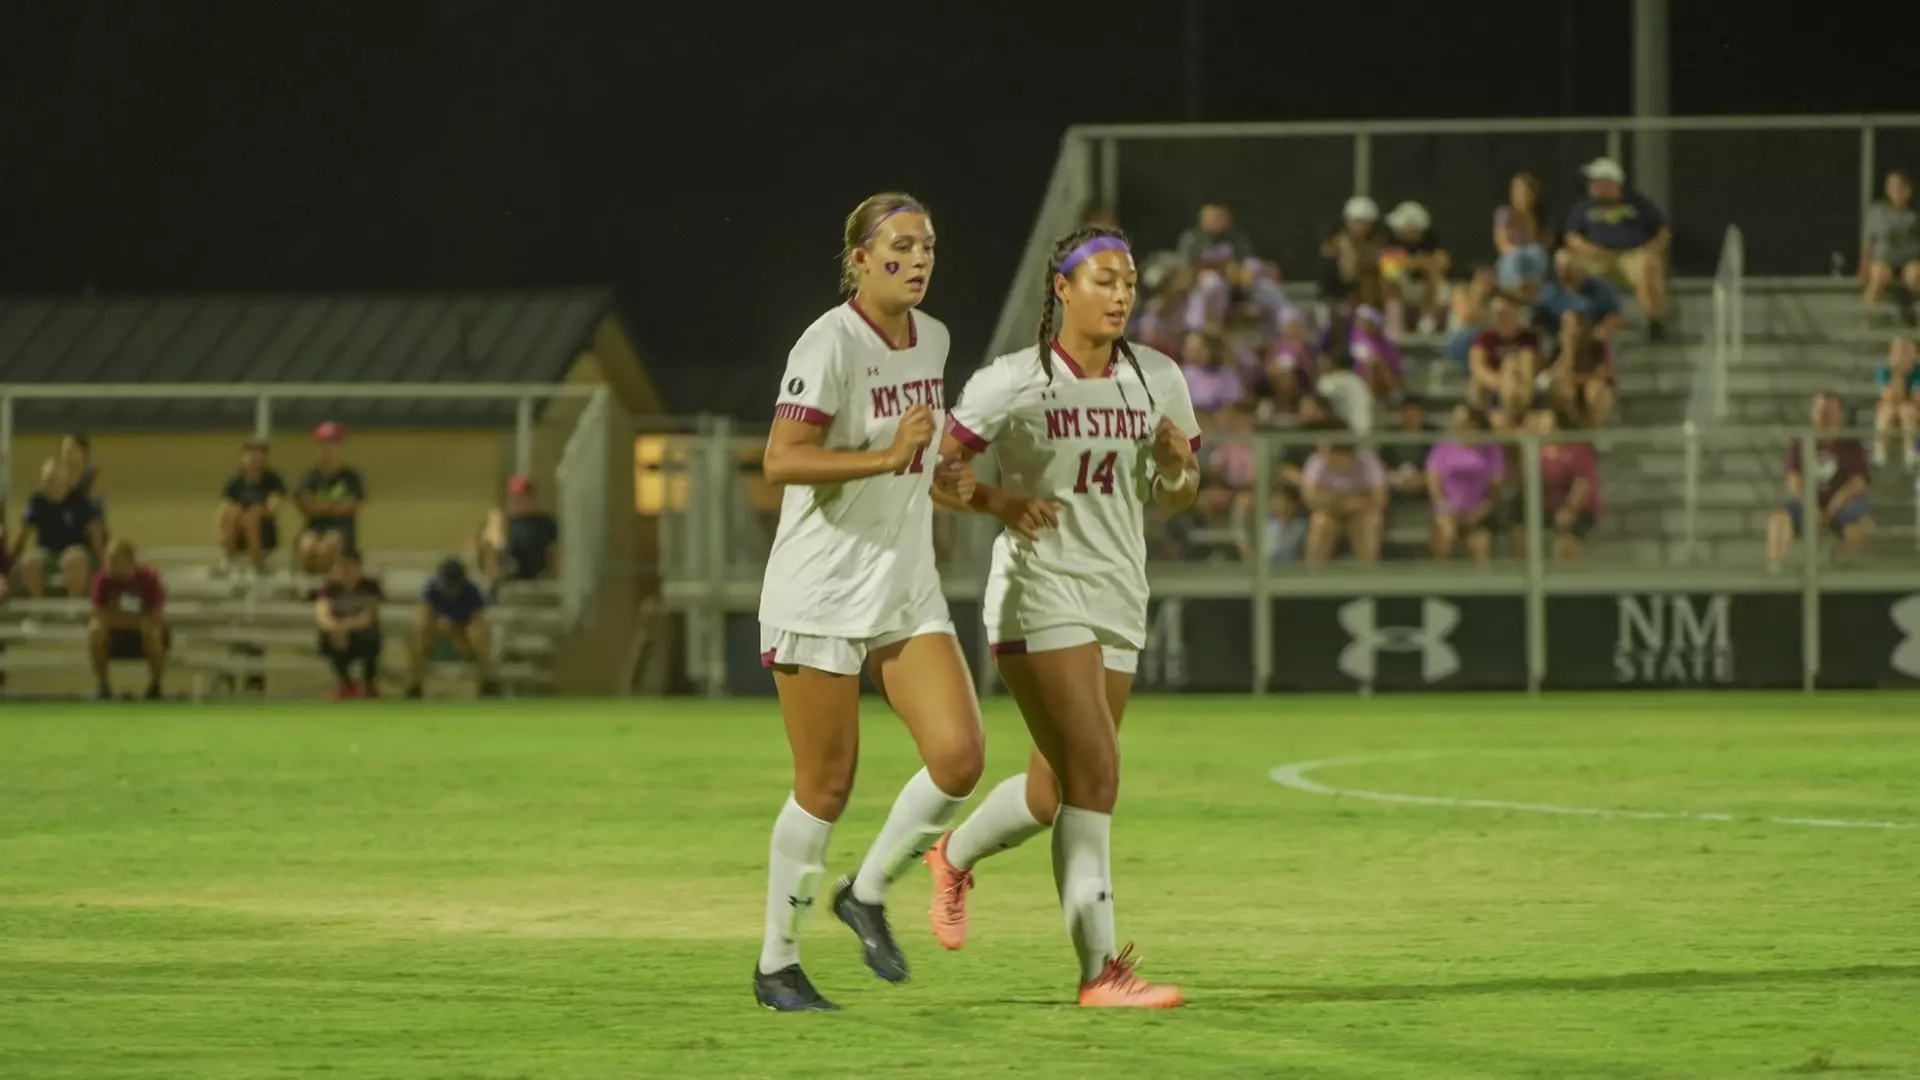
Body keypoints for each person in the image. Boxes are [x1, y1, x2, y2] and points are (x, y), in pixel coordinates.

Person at [927, 224, 1196, 1009]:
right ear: (1063, 289)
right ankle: (1100, 972)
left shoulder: (1160, 379)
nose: (1120, 296)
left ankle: (951, 855)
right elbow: (939, 473)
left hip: (1119, 592)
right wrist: (1000, 502)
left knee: (1054, 794)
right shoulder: (1012, 381)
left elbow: (1178, 495)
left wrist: (1179, 470)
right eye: (1104, 281)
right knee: (1098, 773)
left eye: (1130, 284)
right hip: (1038, 590)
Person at [750, 192, 983, 1013]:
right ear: (859, 260)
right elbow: (781, 459)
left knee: (960, 757)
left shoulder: (937, 339)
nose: (918, 259)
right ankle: (777, 963)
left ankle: (868, 890)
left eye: (927, 246)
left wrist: (947, 480)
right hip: (820, 591)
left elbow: (919, 460)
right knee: (826, 783)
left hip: (902, 584)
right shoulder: (829, 341)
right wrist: (889, 457)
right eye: (901, 246)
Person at [1564, 157, 1671, 339]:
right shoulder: (1583, 207)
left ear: (1612, 182)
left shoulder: (1636, 203)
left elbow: (1662, 230)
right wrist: (1587, 249)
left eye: (1596, 181)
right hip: (1597, 257)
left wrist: (1652, 249)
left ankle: (1655, 322)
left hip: (1631, 256)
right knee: (1564, 261)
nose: (1591, 185)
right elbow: (1571, 235)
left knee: (1648, 264)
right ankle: (1576, 320)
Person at [1767, 393, 1873, 569]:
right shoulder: (1800, 442)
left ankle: (1839, 564)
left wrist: (1832, 508)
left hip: (1841, 503)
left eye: (1829, 410)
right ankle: (1776, 569)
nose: (1823, 415)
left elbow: (1858, 482)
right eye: (1819, 410)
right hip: (1806, 501)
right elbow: (1794, 481)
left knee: (1865, 526)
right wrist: (1811, 506)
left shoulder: (1853, 443)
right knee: (1778, 519)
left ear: (1839, 414)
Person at [1426, 405, 1506, 565]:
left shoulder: (1492, 449)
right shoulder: (1445, 445)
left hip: (1479, 513)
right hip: (1447, 511)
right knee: (1446, 534)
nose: (1457, 427)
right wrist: (1445, 507)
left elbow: (1495, 489)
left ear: (1474, 425)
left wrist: (1478, 513)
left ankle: (1483, 588)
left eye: (1462, 423)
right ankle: (1440, 585)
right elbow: (1433, 481)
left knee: (1481, 544)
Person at [1300, 419, 1388, 565]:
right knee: (1320, 522)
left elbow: (1380, 498)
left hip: (1361, 513)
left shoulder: (1367, 461)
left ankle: (1369, 576)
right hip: (1329, 512)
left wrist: (1340, 500)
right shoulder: (1317, 461)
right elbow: (1310, 497)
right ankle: (1312, 576)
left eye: (1327, 450)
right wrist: (1345, 501)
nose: (1322, 454)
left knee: (1369, 522)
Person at [88, 540, 167, 700]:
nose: (109, 564)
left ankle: (155, 687)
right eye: (108, 559)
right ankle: (104, 686)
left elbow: (156, 616)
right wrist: (135, 620)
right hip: (114, 637)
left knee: (153, 632)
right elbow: (97, 614)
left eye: (114, 559)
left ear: (129, 560)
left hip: (143, 636)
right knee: (95, 630)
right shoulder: (103, 580)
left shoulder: (148, 578)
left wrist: (117, 618)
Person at [408, 557, 498, 698]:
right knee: (419, 626)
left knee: (480, 632)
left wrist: (455, 633)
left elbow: (477, 620)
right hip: (436, 635)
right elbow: (424, 615)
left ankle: (486, 680)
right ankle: (416, 682)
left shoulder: (471, 591)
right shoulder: (432, 589)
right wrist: (441, 627)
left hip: (463, 637)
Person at [12, 459, 98, 599]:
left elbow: (94, 530)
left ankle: (73, 609)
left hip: (76, 549)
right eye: (45, 479)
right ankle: (37, 610)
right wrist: (9, 561)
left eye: (52, 479)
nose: (47, 483)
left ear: (64, 480)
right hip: (47, 552)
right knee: (30, 562)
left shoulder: (78, 499)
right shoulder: (36, 501)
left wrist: (100, 558)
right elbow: (23, 532)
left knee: (73, 559)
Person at [1529, 405, 1602, 562]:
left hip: (1578, 508)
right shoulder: (1535, 451)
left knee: (1564, 543)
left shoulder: (1577, 450)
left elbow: (1583, 485)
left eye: (1549, 426)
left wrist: (1569, 509)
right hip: (1547, 508)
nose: (1545, 430)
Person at [295, 422, 366, 575]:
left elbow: (350, 505)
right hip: (314, 530)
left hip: (342, 533)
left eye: (334, 444)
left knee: (329, 546)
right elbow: (307, 506)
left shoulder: (351, 478)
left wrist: (321, 506)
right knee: (307, 547)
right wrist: (334, 506)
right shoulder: (310, 478)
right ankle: (311, 586)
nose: (329, 449)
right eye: (324, 444)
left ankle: (328, 586)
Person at [317, 549, 384, 699]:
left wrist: (343, 627)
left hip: (361, 634)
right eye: (342, 567)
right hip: (339, 635)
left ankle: (369, 684)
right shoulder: (330, 588)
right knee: (328, 638)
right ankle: (346, 683)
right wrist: (337, 629)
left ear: (359, 567)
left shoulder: (370, 587)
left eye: (350, 566)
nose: (346, 571)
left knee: (370, 637)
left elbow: (368, 617)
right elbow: (322, 615)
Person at [217, 438, 288, 574]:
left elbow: (273, 508)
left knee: (252, 517)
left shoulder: (273, 481)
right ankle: (227, 558)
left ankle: (256, 562)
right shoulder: (235, 481)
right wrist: (240, 513)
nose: (253, 460)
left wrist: (252, 512)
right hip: (238, 529)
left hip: (263, 532)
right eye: (250, 454)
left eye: (258, 455)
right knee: (226, 513)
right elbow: (226, 505)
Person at [1467, 298, 1541, 427]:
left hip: (1522, 382)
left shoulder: (1528, 338)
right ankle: (1479, 424)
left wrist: (1512, 377)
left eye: (1507, 315)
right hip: (1495, 383)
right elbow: (1477, 366)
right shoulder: (1485, 338)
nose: (1504, 319)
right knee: (1475, 386)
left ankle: (1517, 416)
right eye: (1499, 316)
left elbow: (1528, 365)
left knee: (1511, 363)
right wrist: (1500, 382)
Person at [1861, 168, 1920, 325]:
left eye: (1901, 187)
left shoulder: (1914, 214)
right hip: (1883, 260)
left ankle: (1915, 318)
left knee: (1915, 275)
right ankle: (1868, 320)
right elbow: (1868, 242)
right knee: (1879, 275)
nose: (1897, 191)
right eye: (1892, 187)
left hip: (1908, 261)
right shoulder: (1877, 211)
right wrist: (1863, 268)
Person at [479, 475, 559, 590]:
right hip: (509, 585)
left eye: (526, 495)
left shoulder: (545, 523)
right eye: (517, 496)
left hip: (539, 584)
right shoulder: (501, 522)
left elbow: (555, 554)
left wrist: (552, 579)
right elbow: (490, 552)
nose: (521, 500)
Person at [1493, 172, 1552, 300]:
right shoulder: (1504, 213)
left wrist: (1528, 217)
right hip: (1511, 259)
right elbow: (1502, 243)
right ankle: (1517, 293)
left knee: (1537, 253)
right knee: (1516, 257)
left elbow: (1542, 243)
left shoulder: (1539, 216)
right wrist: (1518, 253)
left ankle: (1534, 294)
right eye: (1517, 190)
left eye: (1525, 191)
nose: (1521, 195)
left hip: (1531, 259)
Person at [1873, 336, 1920, 470]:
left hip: (1913, 409)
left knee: (1907, 410)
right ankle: (1880, 450)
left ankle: (1910, 451)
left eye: (1905, 351)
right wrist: (1897, 374)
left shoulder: (1918, 370)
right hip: (1892, 407)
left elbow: (1916, 399)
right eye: (1898, 352)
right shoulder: (1884, 369)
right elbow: (1889, 397)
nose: (1901, 356)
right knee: (1885, 410)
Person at [60, 432, 108, 557]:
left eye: (71, 449)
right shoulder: (59, 476)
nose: (66, 453)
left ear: (83, 452)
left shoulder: (92, 475)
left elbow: (95, 506)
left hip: (87, 528)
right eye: (64, 449)